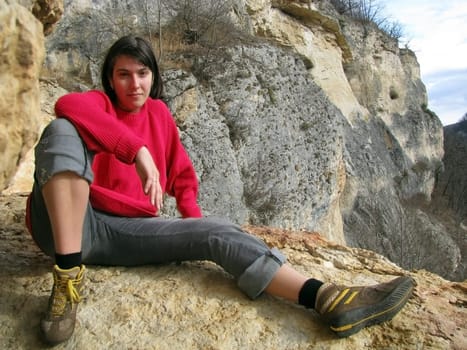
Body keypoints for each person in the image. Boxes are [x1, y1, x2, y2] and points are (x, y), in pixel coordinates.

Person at [26, 35, 414, 345]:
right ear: (110, 79)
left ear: (153, 76)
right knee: (60, 130)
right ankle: (67, 278)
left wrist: (193, 232)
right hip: (67, 226)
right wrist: (137, 150)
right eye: (123, 74)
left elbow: (182, 176)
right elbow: (67, 103)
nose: (134, 83)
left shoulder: (160, 114)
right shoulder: (97, 104)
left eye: (142, 73)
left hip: (127, 233)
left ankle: (327, 297)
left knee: (217, 230)